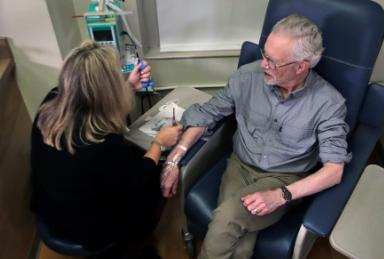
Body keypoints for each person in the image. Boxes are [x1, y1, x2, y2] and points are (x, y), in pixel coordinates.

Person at [160, 14, 352, 259]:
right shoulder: (247, 77)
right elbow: (207, 115)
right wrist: (174, 159)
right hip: (240, 166)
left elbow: (334, 171)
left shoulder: (329, 103)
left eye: (272, 62)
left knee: (226, 219)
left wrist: (280, 195)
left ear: (301, 66)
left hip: (284, 176)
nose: (263, 65)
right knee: (239, 244)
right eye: (264, 55)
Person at [30, 41, 183, 256]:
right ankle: (134, 244)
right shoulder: (99, 146)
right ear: (105, 91)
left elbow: (96, 109)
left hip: (52, 211)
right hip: (87, 229)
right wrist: (160, 142)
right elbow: (138, 180)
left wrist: (128, 87)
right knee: (156, 176)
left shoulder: (52, 101)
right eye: (115, 79)